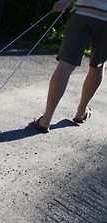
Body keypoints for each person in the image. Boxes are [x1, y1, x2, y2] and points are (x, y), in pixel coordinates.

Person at [33, 0, 106, 133]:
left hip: (84, 13)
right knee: (97, 67)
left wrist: (66, 2)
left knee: (65, 65)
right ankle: (81, 112)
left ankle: (46, 119)